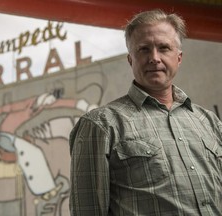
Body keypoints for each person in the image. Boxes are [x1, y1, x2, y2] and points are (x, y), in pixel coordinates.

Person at [69, 9, 222, 216]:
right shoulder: (100, 125)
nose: (154, 58)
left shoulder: (209, 122)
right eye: (143, 49)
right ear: (130, 60)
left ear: (179, 58)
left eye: (163, 47)